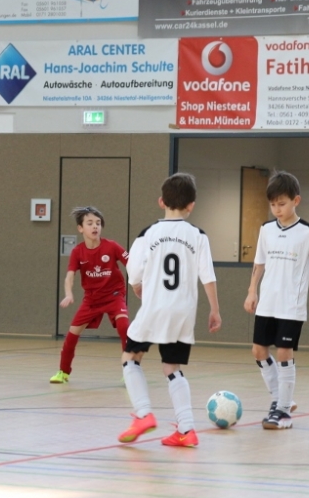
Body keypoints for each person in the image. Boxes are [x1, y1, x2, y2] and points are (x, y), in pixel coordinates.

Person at [117, 173, 221, 447]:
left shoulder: (148, 234)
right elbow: (208, 276)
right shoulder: (198, 235)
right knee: (171, 366)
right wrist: (215, 310)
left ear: (161, 201)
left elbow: (133, 272)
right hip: (183, 312)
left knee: (130, 357)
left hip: (155, 307)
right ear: (191, 205)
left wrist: (137, 286)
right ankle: (187, 430)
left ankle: (143, 415)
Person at [244, 171, 309, 430]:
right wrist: (252, 290)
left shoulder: (308, 233)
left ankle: (282, 411)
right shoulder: (266, 230)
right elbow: (259, 262)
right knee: (258, 351)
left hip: (291, 306)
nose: (277, 209)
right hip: (267, 303)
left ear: (296, 200)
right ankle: (281, 400)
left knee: (283, 352)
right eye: (273, 205)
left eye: (281, 204)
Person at [51, 206, 130, 384]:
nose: (95, 226)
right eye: (90, 223)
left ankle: (130, 372)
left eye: (98, 223)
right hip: (91, 300)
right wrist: (69, 294)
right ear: (80, 228)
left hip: (114, 295)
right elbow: (70, 276)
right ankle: (63, 372)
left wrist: (140, 283)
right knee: (71, 335)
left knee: (124, 327)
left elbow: (132, 264)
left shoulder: (112, 246)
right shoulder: (78, 252)